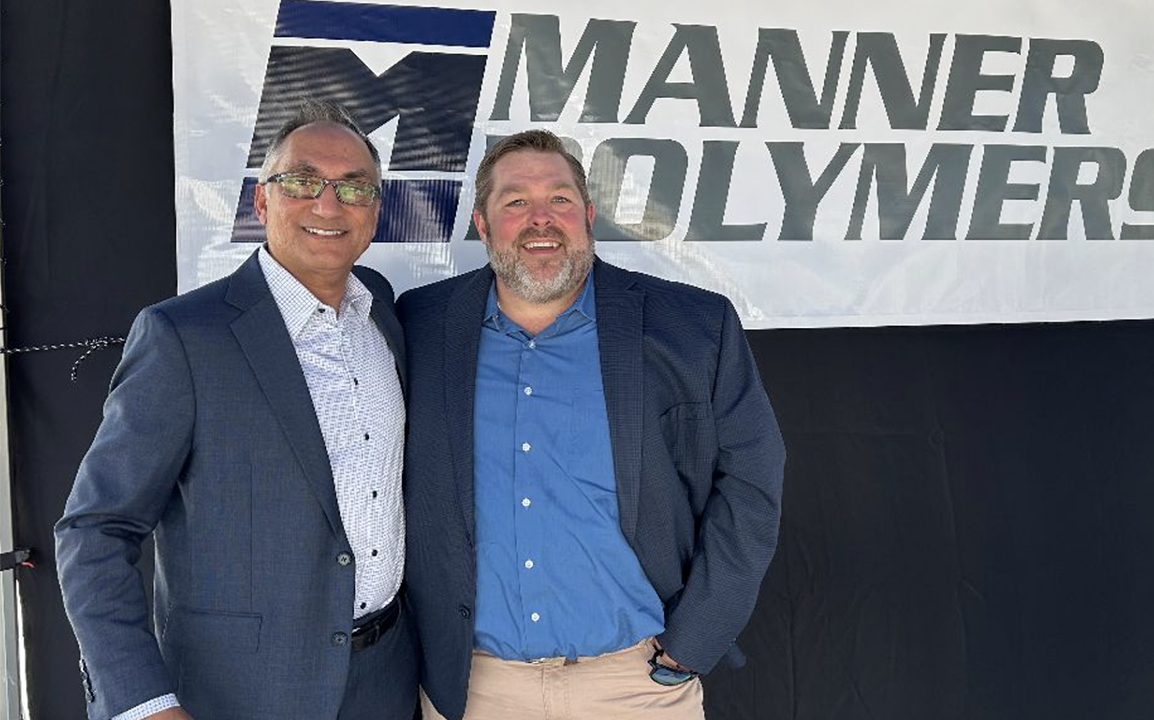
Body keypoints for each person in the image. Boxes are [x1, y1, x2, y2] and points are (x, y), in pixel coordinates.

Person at [398, 130, 786, 720]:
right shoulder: (422, 323)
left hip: (637, 685)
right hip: (476, 690)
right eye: (515, 202)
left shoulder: (692, 326)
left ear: (588, 214)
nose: (540, 220)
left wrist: (694, 640)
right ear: (481, 223)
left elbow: (751, 482)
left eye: (559, 199)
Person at [54, 99, 419, 720]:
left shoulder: (382, 311)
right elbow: (96, 530)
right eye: (303, 182)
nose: (328, 205)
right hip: (236, 694)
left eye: (354, 187)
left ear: (375, 209)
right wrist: (141, 703)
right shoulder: (184, 336)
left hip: (385, 682)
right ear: (261, 201)